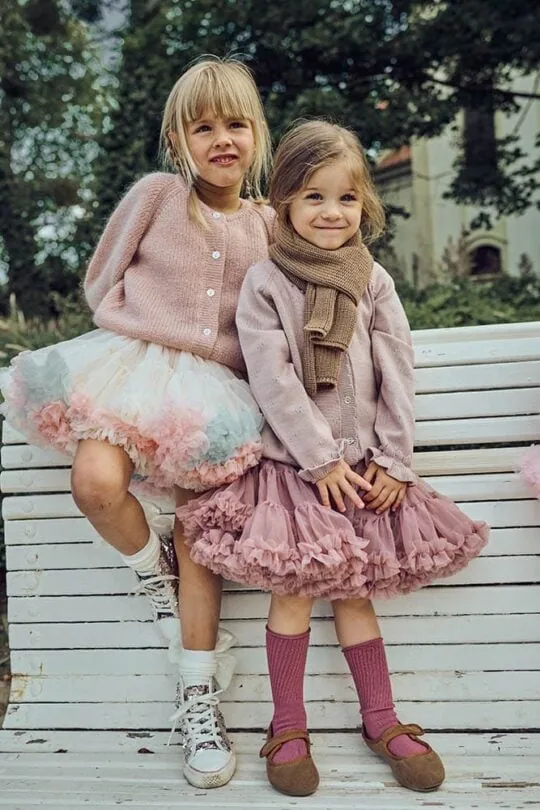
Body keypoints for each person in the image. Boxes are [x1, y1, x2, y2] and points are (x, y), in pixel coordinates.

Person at [178, 120, 489, 796]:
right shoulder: (267, 283)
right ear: (285, 200)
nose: (331, 212)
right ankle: (287, 724)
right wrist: (319, 459)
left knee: (356, 595)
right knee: (291, 595)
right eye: (314, 197)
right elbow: (273, 377)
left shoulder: (371, 279)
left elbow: (396, 366)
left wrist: (394, 459)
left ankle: (381, 717)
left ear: (363, 206)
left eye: (346, 199)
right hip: (298, 474)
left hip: (367, 472)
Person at [0, 57, 274, 789]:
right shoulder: (157, 196)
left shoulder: (268, 223)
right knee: (94, 482)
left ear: (257, 134)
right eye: (203, 125)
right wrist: (134, 327)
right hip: (131, 365)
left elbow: (282, 316)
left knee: (199, 536)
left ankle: (198, 695)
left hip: (217, 393)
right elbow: (101, 276)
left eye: (236, 123)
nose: (222, 138)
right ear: (177, 137)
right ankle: (152, 574)